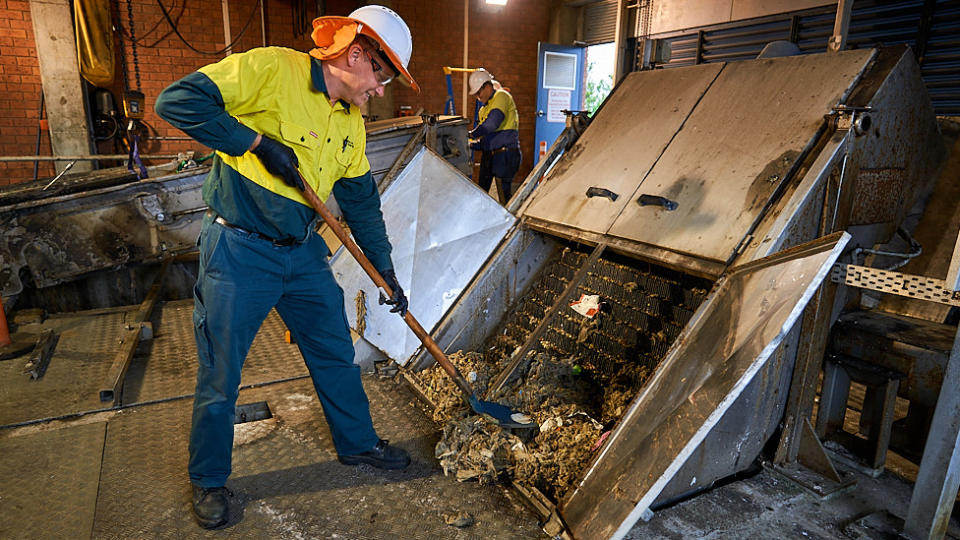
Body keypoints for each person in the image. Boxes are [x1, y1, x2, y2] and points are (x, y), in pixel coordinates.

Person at [154, 5, 419, 530]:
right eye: (383, 74)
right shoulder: (274, 70)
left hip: (302, 253)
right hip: (239, 251)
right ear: (355, 53)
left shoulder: (351, 125)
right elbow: (176, 101)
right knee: (221, 369)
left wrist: (385, 272)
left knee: (334, 353)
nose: (383, 90)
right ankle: (208, 479)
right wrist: (253, 143)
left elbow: (362, 203)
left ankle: (358, 444)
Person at [467, 68, 521, 205]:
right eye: (476, 95)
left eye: (479, 92)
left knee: (502, 197)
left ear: (488, 86)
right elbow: (486, 140)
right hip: (490, 156)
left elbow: (492, 124)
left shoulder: (501, 96)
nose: (478, 97)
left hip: (505, 155)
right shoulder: (483, 109)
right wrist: (470, 144)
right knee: (483, 194)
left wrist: (470, 134)